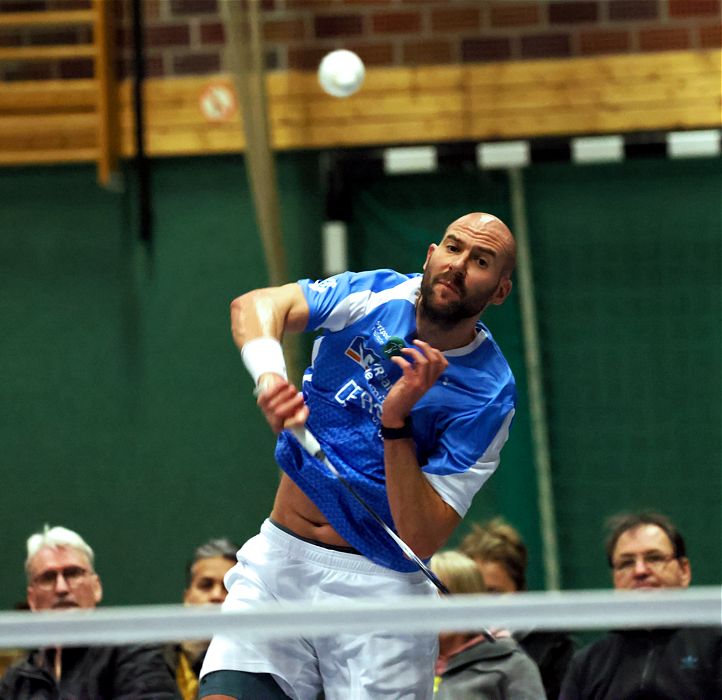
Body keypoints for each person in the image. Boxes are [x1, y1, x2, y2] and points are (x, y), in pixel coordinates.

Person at [200, 212, 518, 699]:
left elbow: (422, 533)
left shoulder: (487, 393)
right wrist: (269, 376)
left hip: (381, 591)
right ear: (431, 255)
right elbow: (257, 305)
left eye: (481, 261)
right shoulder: (373, 294)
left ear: (499, 291)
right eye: (453, 248)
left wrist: (397, 422)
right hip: (280, 563)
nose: (458, 265)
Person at [0, 525, 177, 699]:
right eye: (48, 578)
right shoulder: (18, 680)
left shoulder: (134, 652)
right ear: (32, 600)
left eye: (73, 573)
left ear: (96, 588)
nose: (61, 588)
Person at [559, 512, 722, 699]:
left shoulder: (716, 646)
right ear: (615, 578)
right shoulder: (587, 663)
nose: (640, 571)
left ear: (684, 571)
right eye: (626, 563)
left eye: (654, 558)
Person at [460, 518, 575, 699]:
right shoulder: (443, 650)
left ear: (519, 590)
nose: (482, 603)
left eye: (494, 593)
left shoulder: (554, 651)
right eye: (474, 592)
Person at [431, 550, 545, 699]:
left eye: (442, 596)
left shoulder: (512, 665)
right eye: (427, 598)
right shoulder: (408, 663)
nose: (433, 607)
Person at [167, 537, 239, 700]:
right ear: (187, 597)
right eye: (206, 585)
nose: (216, 596)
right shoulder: (154, 656)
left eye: (228, 587)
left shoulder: (261, 661)